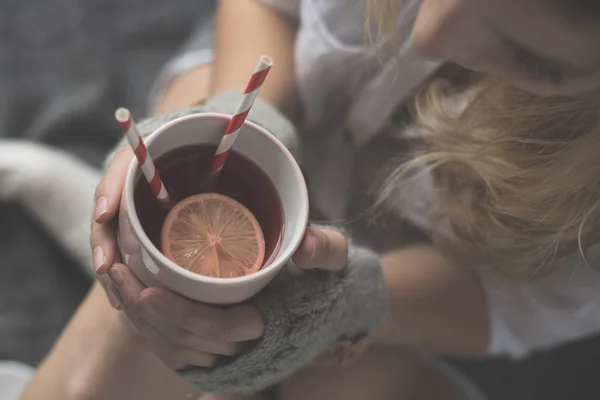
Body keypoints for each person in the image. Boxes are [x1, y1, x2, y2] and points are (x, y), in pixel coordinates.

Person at [13, 0, 600, 399]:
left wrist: (351, 305)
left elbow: (516, 300)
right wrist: (251, 114)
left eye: (533, 61)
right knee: (108, 356)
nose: (427, 35)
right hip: (245, 80)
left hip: (405, 277)